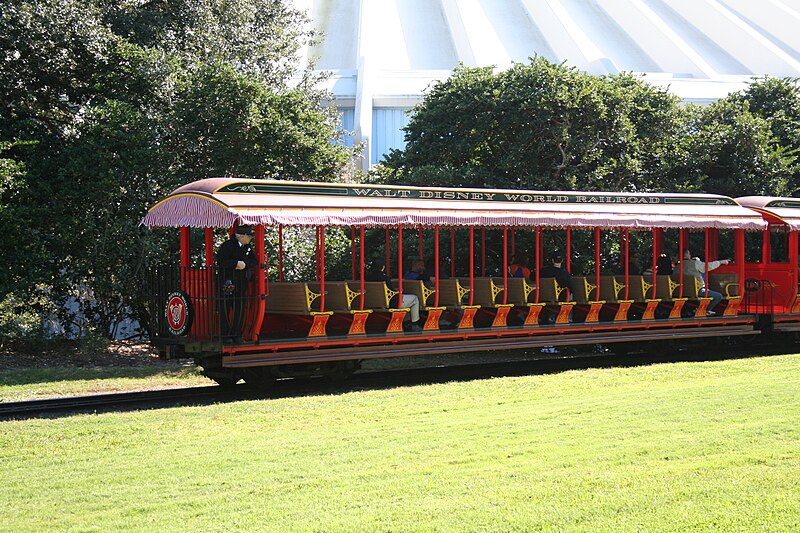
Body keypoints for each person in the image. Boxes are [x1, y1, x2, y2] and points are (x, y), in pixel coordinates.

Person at [216, 224, 258, 344]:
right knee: (225, 308)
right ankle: (225, 336)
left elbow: (254, 261)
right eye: (249, 236)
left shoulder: (247, 247)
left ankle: (236, 334)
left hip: (241, 283)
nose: (250, 239)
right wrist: (235, 263)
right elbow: (221, 261)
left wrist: (245, 264)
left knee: (239, 309)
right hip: (227, 281)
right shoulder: (228, 246)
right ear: (242, 236)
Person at [367, 261, 422, 332]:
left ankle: (406, 322)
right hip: (391, 302)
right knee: (414, 298)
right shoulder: (384, 278)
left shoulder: (368, 277)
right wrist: (399, 291)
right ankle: (414, 323)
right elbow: (391, 291)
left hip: (373, 302)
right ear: (383, 267)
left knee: (408, 300)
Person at [681, 249, 730, 315]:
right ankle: (706, 310)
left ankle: (697, 309)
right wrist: (720, 262)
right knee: (719, 296)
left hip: (683, 290)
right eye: (689, 254)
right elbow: (708, 266)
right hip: (698, 290)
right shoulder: (694, 263)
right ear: (686, 255)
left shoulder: (678, 266)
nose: (690, 255)